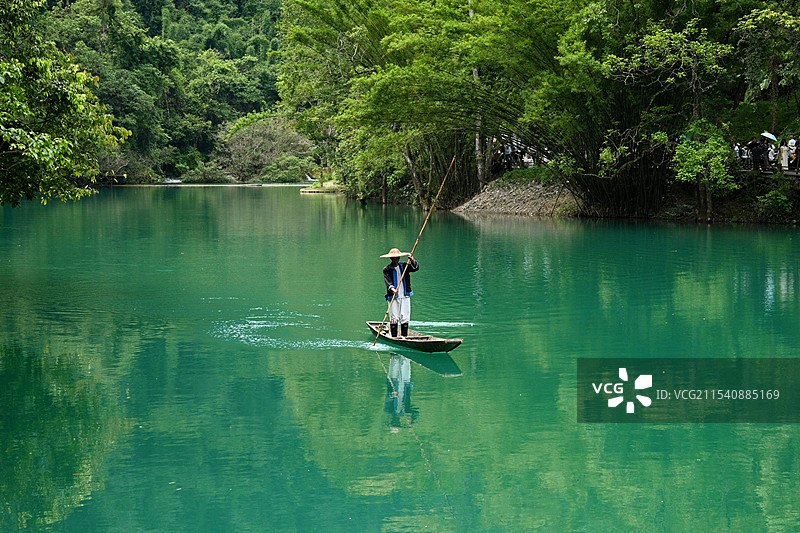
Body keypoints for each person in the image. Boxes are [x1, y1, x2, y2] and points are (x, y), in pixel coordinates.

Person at [380, 247, 419, 338]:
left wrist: (412, 260)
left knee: (405, 316)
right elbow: (388, 282)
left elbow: (415, 268)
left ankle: (404, 337)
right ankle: (394, 337)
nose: (396, 260)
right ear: (391, 259)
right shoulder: (387, 269)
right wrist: (393, 289)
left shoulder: (405, 266)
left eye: (397, 258)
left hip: (405, 295)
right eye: (394, 258)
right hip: (394, 297)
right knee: (394, 317)